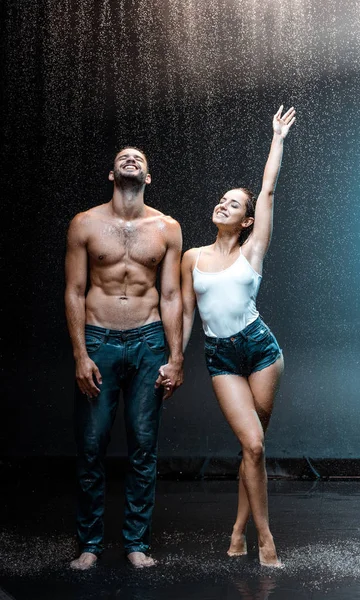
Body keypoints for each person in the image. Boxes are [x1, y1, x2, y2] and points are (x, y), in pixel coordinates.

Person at [178, 106, 295, 566]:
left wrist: (277, 138)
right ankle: (265, 540)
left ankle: (241, 531)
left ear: (246, 220)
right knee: (252, 444)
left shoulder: (254, 248)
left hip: (261, 350)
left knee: (254, 449)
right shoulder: (192, 256)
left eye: (233, 203)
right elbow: (185, 312)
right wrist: (174, 359)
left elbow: (267, 189)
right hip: (222, 356)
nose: (222, 204)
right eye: (220, 199)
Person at [65, 147, 183, 570]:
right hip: (99, 340)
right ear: (111, 173)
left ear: (148, 176)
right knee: (92, 446)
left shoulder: (167, 228)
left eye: (139, 157)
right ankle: (90, 545)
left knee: (144, 447)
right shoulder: (84, 223)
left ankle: (137, 543)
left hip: (149, 341)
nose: (131, 158)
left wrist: (176, 357)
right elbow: (75, 291)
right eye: (122, 156)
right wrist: (80, 354)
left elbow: (170, 296)